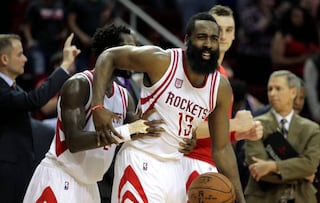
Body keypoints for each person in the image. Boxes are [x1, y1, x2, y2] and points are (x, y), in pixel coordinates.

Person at [91, 12, 245, 203]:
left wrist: (240, 199)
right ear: (187, 40)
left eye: (214, 38)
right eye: (201, 37)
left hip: (175, 168)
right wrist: (97, 107)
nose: (208, 44)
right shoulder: (162, 61)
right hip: (141, 160)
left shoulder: (220, 87)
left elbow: (222, 149)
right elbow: (109, 56)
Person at [23, 23, 166, 203]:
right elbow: (74, 141)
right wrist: (128, 131)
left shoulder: (124, 96)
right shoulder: (79, 85)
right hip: (60, 179)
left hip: (90, 187)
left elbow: (135, 130)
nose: (134, 56)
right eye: (129, 49)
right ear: (110, 52)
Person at [182, 5, 263, 195]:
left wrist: (242, 133)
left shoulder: (223, 75)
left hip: (208, 163)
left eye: (229, 30)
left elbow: (218, 132)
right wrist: (235, 124)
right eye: (218, 29)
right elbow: (185, 128)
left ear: (235, 36)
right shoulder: (195, 71)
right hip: (187, 161)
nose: (223, 35)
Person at [0, 33, 79, 202]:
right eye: (20, 54)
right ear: (4, 59)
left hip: (18, 164)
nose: (25, 59)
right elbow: (34, 100)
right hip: (6, 167)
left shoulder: (12, 87)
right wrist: (64, 65)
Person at [245, 70, 320, 203]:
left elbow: (310, 164)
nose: (272, 93)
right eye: (270, 89)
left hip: (300, 197)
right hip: (264, 198)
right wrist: (302, 174)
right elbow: (258, 170)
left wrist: (273, 166)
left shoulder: (311, 129)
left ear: (293, 92)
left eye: (278, 89)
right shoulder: (255, 124)